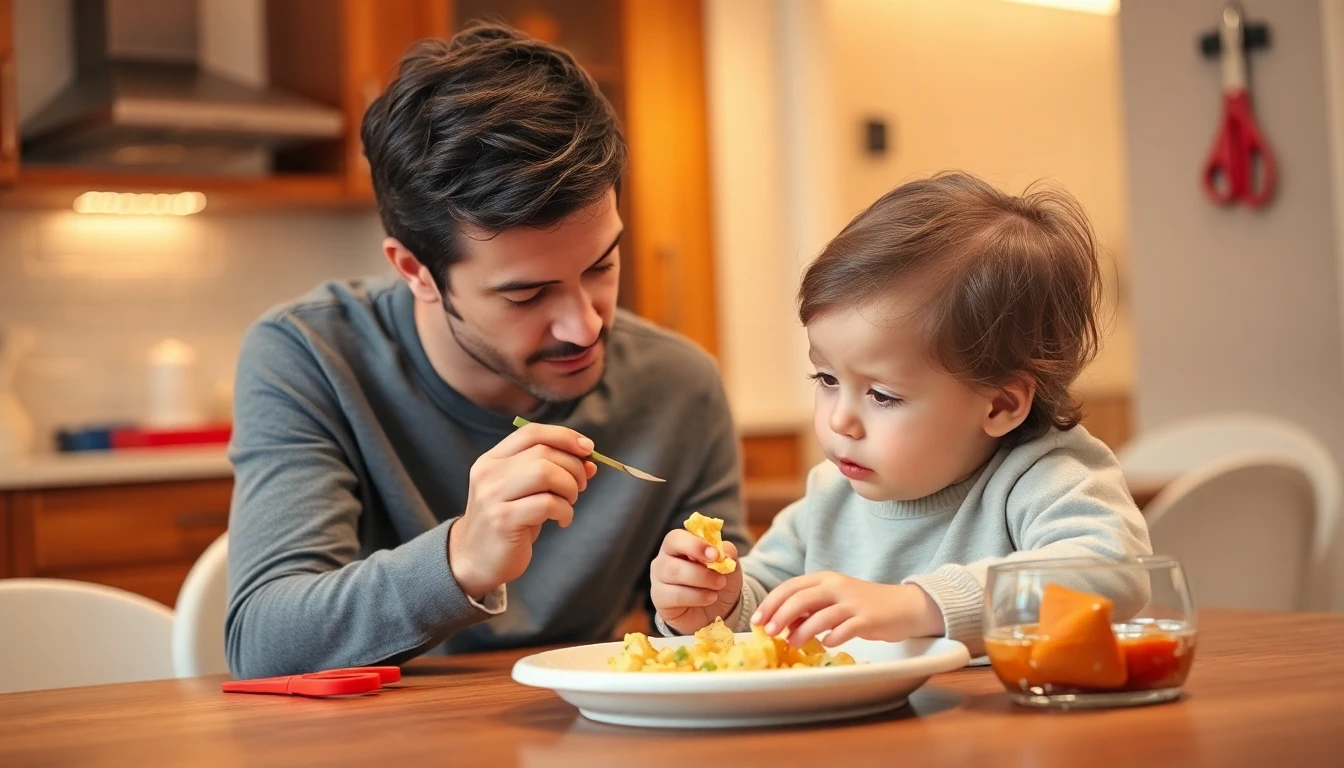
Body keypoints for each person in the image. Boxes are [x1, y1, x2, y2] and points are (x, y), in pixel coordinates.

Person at [225, 22, 747, 678]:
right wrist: (462, 559)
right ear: (414, 270)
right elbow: (262, 643)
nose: (584, 327)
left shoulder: (679, 384)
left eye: (602, 267)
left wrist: (707, 606)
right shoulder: (310, 357)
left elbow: (723, 629)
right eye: (527, 295)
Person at [649, 172, 1151, 655]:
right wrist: (719, 604)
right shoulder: (830, 497)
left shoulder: (1042, 477)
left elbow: (1114, 571)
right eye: (826, 379)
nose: (840, 421)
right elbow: (771, 610)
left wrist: (921, 605)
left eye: (882, 396)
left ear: (1000, 404)